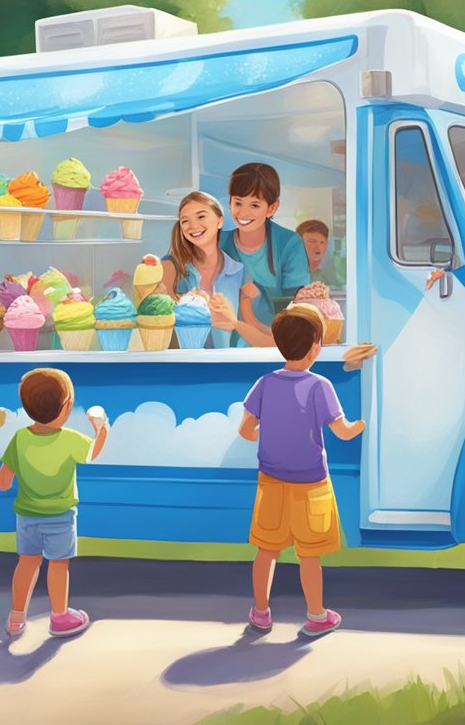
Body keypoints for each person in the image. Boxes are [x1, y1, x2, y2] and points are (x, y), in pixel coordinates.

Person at [239, 305, 373, 637]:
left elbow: (245, 429)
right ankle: (315, 615)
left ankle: (260, 613)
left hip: (270, 481)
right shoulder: (320, 386)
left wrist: (265, 433)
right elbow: (341, 431)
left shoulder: (264, 383)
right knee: (309, 555)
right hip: (311, 484)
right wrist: (362, 425)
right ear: (316, 345)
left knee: (266, 550)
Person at [0, 369, 109, 639]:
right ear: (67, 406)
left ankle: (16, 617)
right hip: (60, 515)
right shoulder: (71, 439)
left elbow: (2, 482)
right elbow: (93, 453)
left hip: (26, 515)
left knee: (27, 563)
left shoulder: (20, 438)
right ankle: (59, 617)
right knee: (58, 565)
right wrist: (101, 427)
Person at [160, 191, 267, 348]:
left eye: (201, 216)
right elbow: (159, 320)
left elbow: (252, 328)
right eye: (185, 221)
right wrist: (188, 304)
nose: (193, 225)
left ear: (219, 221)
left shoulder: (241, 273)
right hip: (183, 366)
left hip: (226, 365)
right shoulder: (170, 267)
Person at [220, 163, 311, 328]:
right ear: (230, 202)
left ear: (272, 208)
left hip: (274, 339)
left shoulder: (289, 244)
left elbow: (293, 304)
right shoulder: (219, 241)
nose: (243, 213)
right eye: (238, 203)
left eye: (254, 205)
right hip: (224, 339)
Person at [295, 219, 340, 287]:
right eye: (312, 241)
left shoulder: (331, 276)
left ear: (327, 245)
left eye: (322, 242)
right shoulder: (288, 277)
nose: (318, 247)